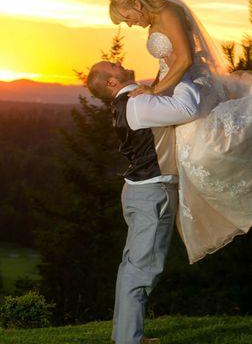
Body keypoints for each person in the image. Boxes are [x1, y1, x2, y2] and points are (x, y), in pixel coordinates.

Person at [108, 0, 252, 265]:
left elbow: (185, 59)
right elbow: (167, 63)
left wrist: (155, 91)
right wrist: (156, 86)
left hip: (192, 84)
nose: (128, 24)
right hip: (175, 85)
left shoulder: (169, 12)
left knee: (207, 149)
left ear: (135, 4)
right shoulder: (152, 22)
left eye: (126, 17)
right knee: (190, 156)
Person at [85, 60, 201, 344]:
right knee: (142, 268)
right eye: (114, 65)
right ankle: (127, 340)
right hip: (152, 194)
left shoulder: (135, 101)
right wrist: (182, 75)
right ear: (112, 82)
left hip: (143, 193)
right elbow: (187, 109)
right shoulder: (137, 104)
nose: (121, 62)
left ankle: (124, 335)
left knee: (133, 266)